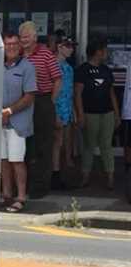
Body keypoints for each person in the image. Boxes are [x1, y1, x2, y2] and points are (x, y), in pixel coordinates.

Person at [19, 20, 62, 198]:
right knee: (24, 146)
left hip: (42, 100)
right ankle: (24, 184)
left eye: (27, 36)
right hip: (22, 102)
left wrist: (50, 101)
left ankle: (40, 187)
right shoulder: (18, 55)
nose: (24, 40)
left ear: (35, 37)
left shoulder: (45, 54)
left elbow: (58, 79)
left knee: (43, 145)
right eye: (22, 37)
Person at [74, 39, 120, 190]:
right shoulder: (83, 70)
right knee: (89, 146)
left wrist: (116, 114)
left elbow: (111, 93)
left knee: (106, 145)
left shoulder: (106, 70)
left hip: (107, 113)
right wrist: (80, 114)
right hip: (89, 113)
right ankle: (85, 176)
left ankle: (110, 177)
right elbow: (78, 93)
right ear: (97, 51)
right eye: (104, 50)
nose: (106, 53)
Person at [1, 32, 37, 213]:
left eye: (15, 44)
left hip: (18, 122)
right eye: (8, 44)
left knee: (17, 161)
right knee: (3, 161)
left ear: (20, 46)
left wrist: (10, 111)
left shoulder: (28, 67)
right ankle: (6, 195)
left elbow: (30, 96)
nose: (11, 47)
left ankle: (21, 197)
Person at [52, 36, 76, 189]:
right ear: (59, 47)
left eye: (72, 46)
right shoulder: (52, 65)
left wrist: (72, 109)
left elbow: (70, 90)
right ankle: (54, 175)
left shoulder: (68, 67)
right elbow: (51, 93)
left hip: (66, 109)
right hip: (56, 109)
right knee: (56, 143)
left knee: (63, 144)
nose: (71, 49)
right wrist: (55, 113)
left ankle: (60, 174)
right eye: (67, 46)